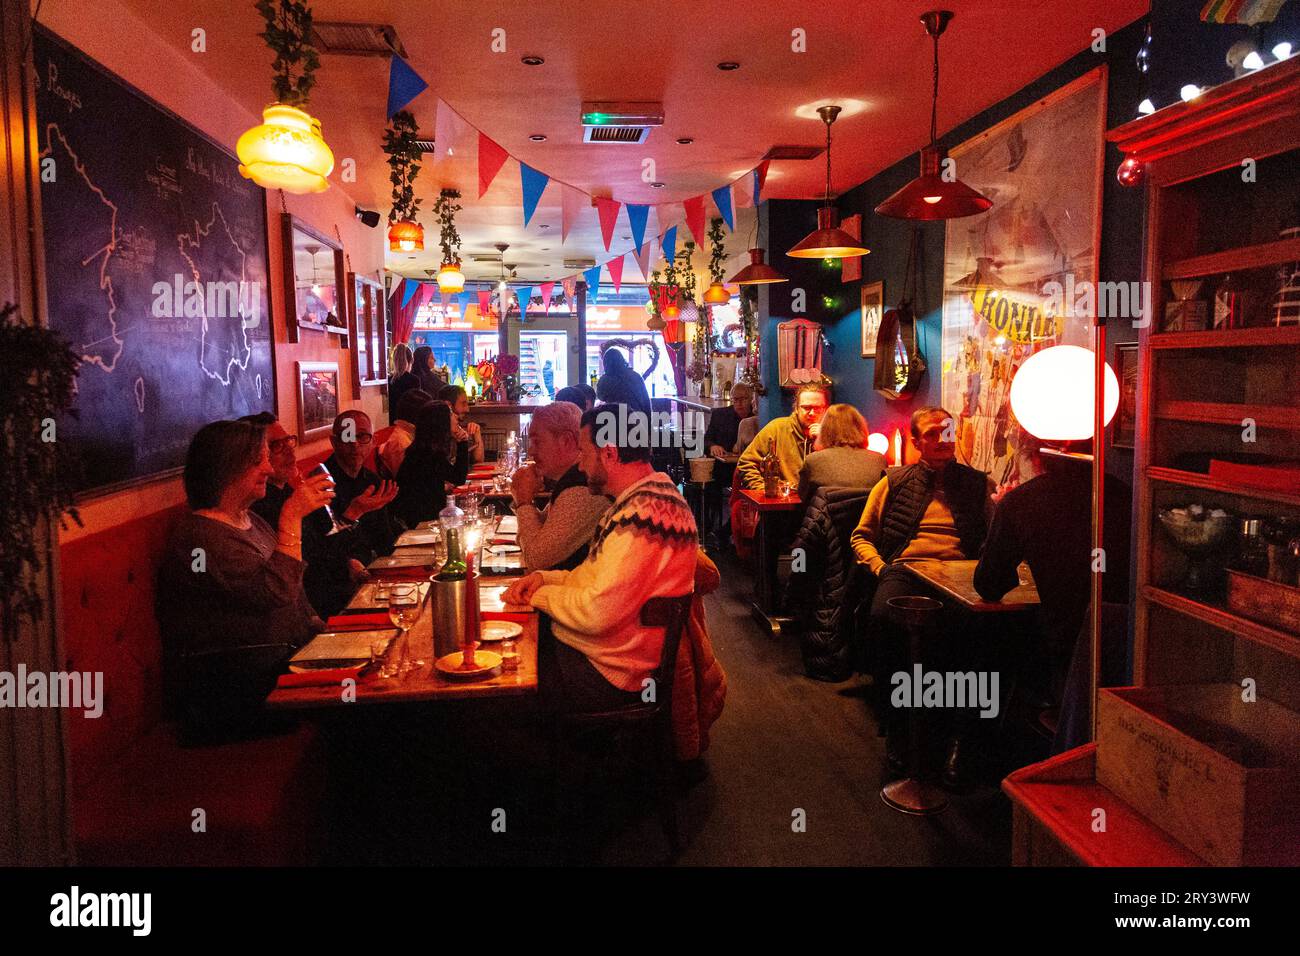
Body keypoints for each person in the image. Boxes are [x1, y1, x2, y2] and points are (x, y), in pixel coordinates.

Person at [502, 404, 697, 712]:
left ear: (609, 453)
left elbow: (598, 612)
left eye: (583, 453)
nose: (579, 466)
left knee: (506, 681)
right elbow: (592, 577)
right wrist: (545, 578)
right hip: (611, 657)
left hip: (617, 675)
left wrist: (539, 594)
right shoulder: (646, 499)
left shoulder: (642, 517)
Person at [157, 419, 333, 741]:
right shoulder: (200, 539)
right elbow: (276, 590)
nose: (268, 468)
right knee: (362, 711)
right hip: (233, 695)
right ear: (226, 468)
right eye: (258, 461)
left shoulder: (248, 519)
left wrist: (318, 626)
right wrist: (292, 516)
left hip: (278, 669)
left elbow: (294, 588)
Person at [851, 406, 993, 787]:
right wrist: (882, 568)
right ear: (915, 442)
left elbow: (994, 542)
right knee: (885, 621)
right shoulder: (893, 482)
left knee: (980, 635)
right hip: (907, 570)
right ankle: (899, 729)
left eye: (948, 431)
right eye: (932, 433)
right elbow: (861, 536)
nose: (942, 439)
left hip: (961, 574)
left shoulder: (978, 484)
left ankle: (962, 739)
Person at [974, 442, 1132, 754]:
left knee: (986, 636)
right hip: (1129, 649)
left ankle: (976, 753)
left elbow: (988, 585)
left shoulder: (1022, 502)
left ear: (1036, 457)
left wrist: (1008, 526)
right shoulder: (1124, 493)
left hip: (1062, 653)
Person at [509, 402, 609, 571]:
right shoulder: (571, 479)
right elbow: (532, 537)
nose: (531, 451)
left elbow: (536, 559)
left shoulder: (582, 488)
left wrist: (524, 501)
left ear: (566, 441)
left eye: (536, 442)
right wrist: (523, 503)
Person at [735, 383, 829, 491]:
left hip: (820, 504)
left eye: (817, 408)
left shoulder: (833, 435)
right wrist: (762, 489)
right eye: (806, 408)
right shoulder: (777, 429)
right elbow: (745, 462)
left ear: (826, 410)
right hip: (783, 503)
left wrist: (824, 441)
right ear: (796, 408)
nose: (812, 413)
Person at [392, 401, 470, 527]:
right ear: (440, 422)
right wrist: (463, 442)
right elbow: (459, 477)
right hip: (422, 524)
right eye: (450, 414)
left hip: (423, 517)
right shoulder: (428, 454)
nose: (456, 417)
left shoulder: (422, 450)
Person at [796, 403, 887, 504]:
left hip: (826, 519)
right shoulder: (879, 460)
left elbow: (803, 497)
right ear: (861, 428)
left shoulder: (813, 460)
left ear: (825, 430)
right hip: (868, 519)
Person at [377, 387, 432, 478]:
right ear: (420, 416)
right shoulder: (401, 443)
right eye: (430, 415)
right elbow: (412, 481)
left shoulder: (409, 435)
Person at [704, 382, 755, 460]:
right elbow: (706, 440)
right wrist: (712, 446)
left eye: (743, 399)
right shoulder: (719, 415)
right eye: (735, 399)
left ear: (751, 399)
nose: (739, 403)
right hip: (724, 466)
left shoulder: (756, 417)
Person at [438, 384, 485, 465]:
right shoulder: (436, 434)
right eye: (463, 404)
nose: (467, 409)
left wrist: (476, 434)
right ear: (448, 406)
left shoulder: (459, 429)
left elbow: (479, 461)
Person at [595, 348, 651, 415]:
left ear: (606, 364)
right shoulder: (636, 376)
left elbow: (599, 396)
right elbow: (646, 402)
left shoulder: (605, 380)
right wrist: (648, 423)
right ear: (622, 360)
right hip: (638, 418)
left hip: (614, 419)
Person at [388, 343, 420, 424]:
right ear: (411, 361)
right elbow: (416, 405)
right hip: (408, 422)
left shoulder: (389, 380)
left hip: (392, 421)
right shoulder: (414, 380)